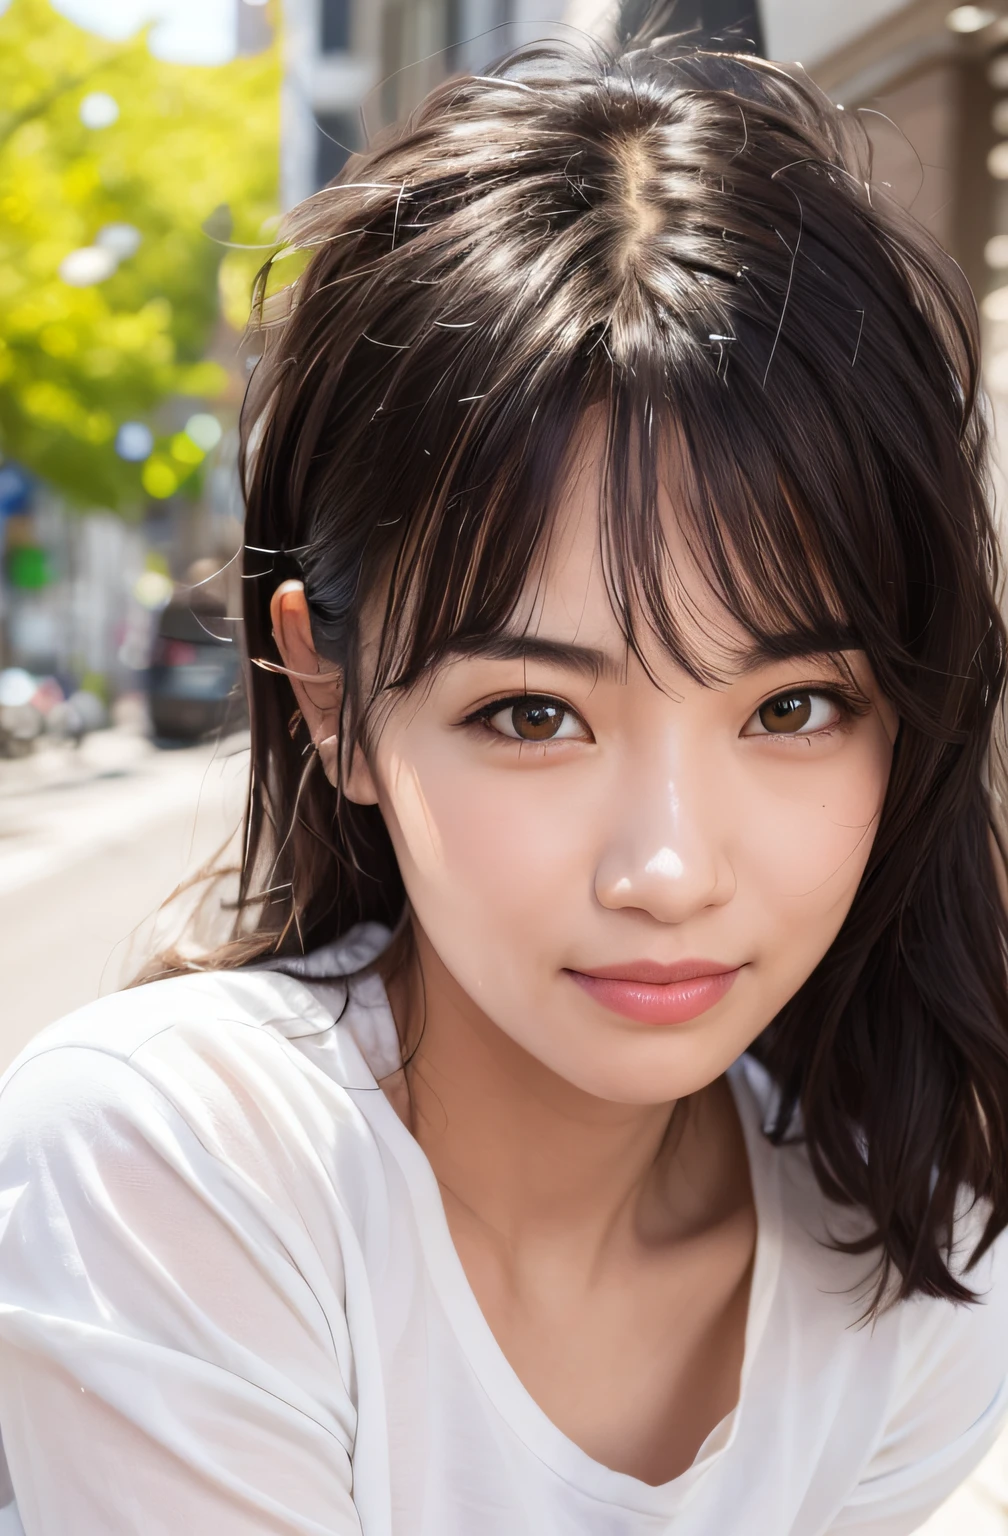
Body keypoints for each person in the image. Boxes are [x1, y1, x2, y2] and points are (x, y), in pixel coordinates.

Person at [2, 14, 1008, 1535]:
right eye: (535, 715)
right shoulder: (174, 1167)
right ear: (328, 697)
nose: (668, 871)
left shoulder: (915, 1258)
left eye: (793, 706)